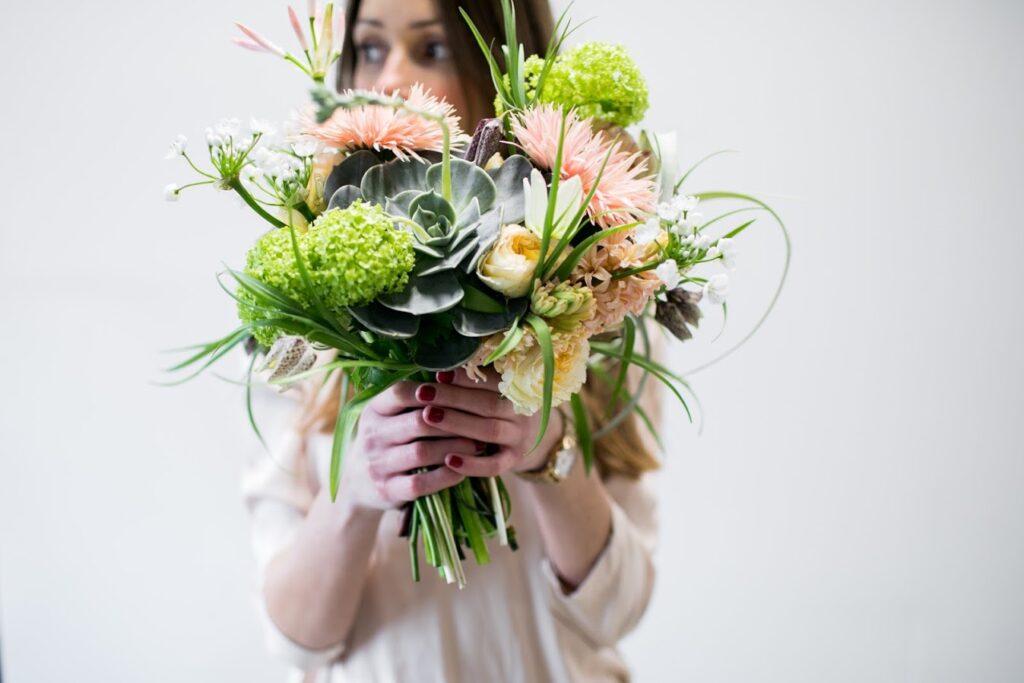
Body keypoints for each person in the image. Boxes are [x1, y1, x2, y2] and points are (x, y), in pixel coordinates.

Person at [241, 1, 662, 680]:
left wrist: (547, 448)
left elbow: (619, 610)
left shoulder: (601, 285)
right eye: (370, 50)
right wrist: (354, 492)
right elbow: (295, 638)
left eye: (432, 50)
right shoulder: (306, 298)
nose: (390, 79)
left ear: (506, 67)